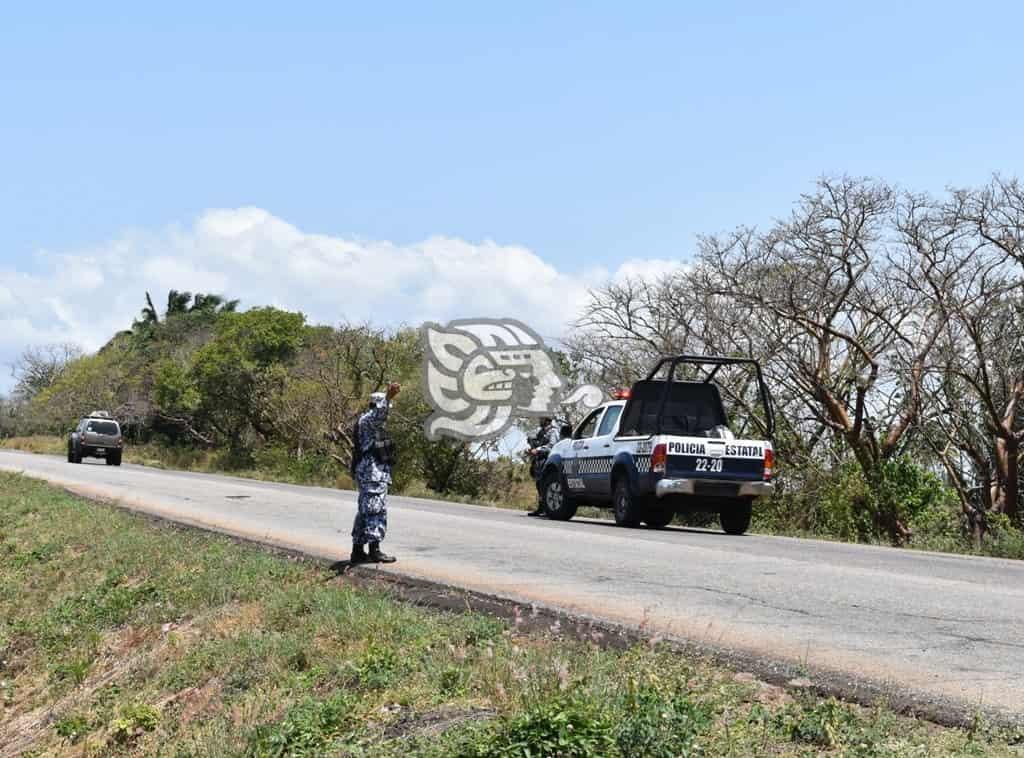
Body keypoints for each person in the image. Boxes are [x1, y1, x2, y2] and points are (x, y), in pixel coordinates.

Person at [350, 382, 401, 564]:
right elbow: (380, 415)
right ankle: (374, 550)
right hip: (372, 473)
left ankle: (357, 551)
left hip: (368, 472)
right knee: (375, 510)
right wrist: (388, 397)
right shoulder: (370, 420)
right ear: (377, 405)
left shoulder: (365, 421)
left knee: (364, 511)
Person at [525, 417, 561, 517]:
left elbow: (552, 445)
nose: (540, 420)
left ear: (547, 420)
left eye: (542, 419)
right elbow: (537, 442)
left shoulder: (553, 431)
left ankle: (547, 508)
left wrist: (538, 450)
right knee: (539, 485)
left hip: (548, 460)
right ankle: (541, 508)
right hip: (539, 461)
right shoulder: (541, 431)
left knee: (545, 484)